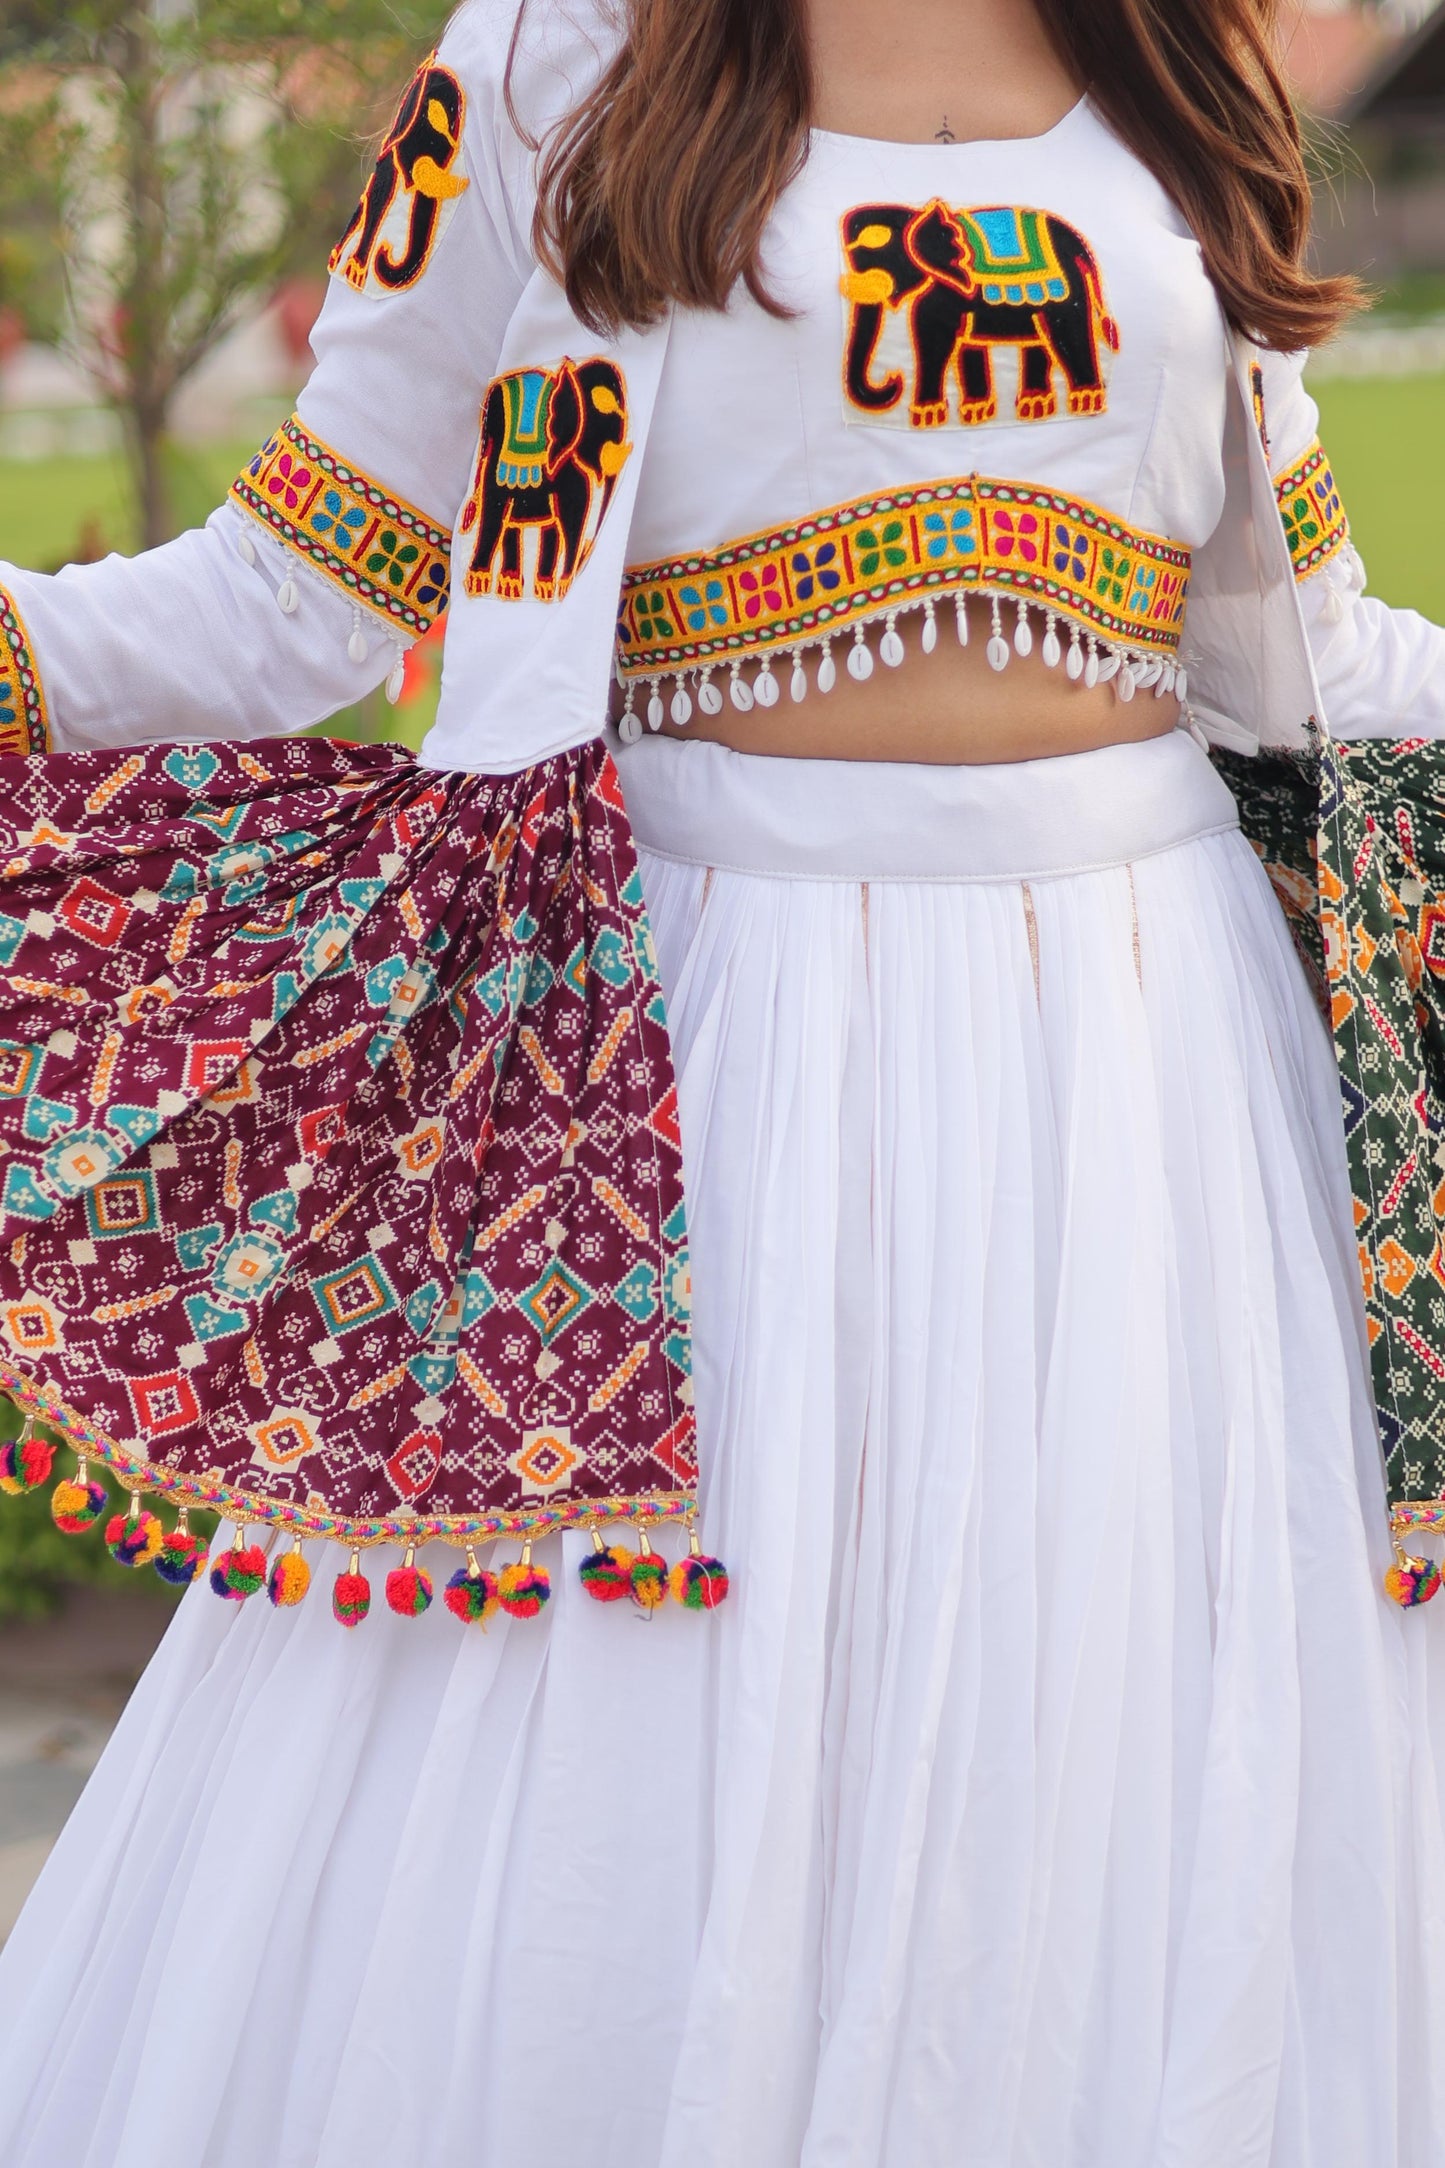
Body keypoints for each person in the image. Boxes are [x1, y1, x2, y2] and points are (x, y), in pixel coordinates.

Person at [2, 0, 1445, 2160]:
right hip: (696, 1077)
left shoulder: (1179, 50)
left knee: (1138, 1758)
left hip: (1153, 1084)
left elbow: (1310, 641)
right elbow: (294, 600)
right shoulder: (550, 63)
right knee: (651, 1788)